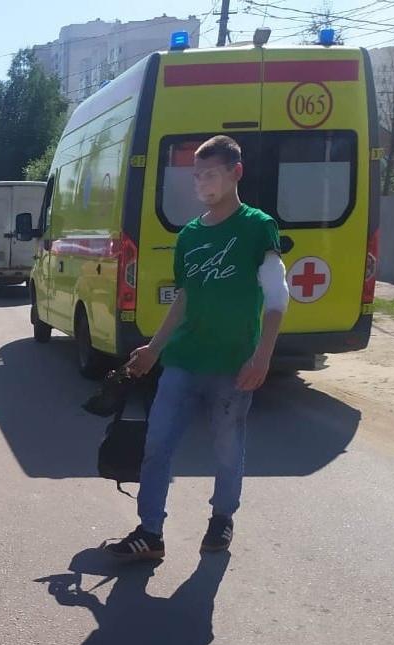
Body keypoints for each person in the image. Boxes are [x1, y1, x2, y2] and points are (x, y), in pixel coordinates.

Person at [105, 135, 289, 561]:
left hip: (234, 364)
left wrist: (262, 355)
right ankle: (150, 533)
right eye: (197, 175)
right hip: (183, 361)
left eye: (211, 173)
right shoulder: (188, 235)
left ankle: (222, 518)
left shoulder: (257, 226)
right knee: (157, 446)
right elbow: (185, 297)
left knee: (227, 450)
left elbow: (277, 296)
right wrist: (154, 347)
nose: (203, 182)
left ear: (235, 173)